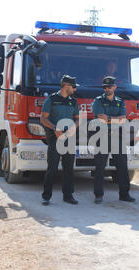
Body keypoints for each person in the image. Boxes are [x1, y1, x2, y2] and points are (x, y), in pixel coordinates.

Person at [92, 76, 135, 204]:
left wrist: (109, 119)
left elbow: (124, 119)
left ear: (114, 87)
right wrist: (116, 119)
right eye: (105, 87)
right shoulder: (98, 101)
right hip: (102, 135)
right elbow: (101, 117)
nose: (107, 89)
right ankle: (98, 195)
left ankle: (124, 194)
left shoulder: (120, 101)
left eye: (109, 86)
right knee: (100, 167)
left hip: (117, 136)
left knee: (122, 166)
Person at [40, 75, 80, 206]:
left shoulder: (73, 102)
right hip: (55, 138)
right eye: (73, 87)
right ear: (66, 86)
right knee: (52, 167)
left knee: (69, 168)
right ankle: (46, 196)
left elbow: (78, 118)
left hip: (69, 138)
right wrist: (55, 128)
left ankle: (68, 196)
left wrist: (74, 127)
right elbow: (43, 118)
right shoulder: (51, 100)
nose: (75, 89)